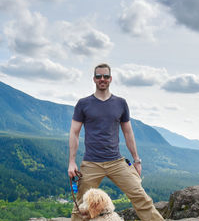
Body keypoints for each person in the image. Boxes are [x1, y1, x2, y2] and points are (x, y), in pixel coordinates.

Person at [68, 63, 164, 221]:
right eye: (98, 76)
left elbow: (128, 132)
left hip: (116, 161)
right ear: (94, 79)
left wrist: (136, 160)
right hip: (91, 163)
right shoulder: (83, 103)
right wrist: (72, 161)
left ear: (110, 79)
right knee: (80, 206)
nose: (102, 79)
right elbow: (74, 132)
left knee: (140, 197)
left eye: (105, 76)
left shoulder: (121, 103)